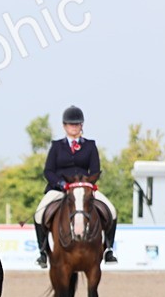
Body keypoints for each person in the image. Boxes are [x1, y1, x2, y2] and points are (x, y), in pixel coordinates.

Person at [34, 105, 118, 267]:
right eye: (70, 124)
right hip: (60, 188)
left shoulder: (90, 146)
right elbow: (48, 171)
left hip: (83, 188)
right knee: (39, 213)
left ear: (81, 126)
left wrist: (85, 184)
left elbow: (95, 170)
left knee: (111, 210)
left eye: (77, 124)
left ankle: (108, 249)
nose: (74, 127)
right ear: (64, 126)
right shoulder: (57, 146)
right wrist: (61, 184)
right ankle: (43, 251)